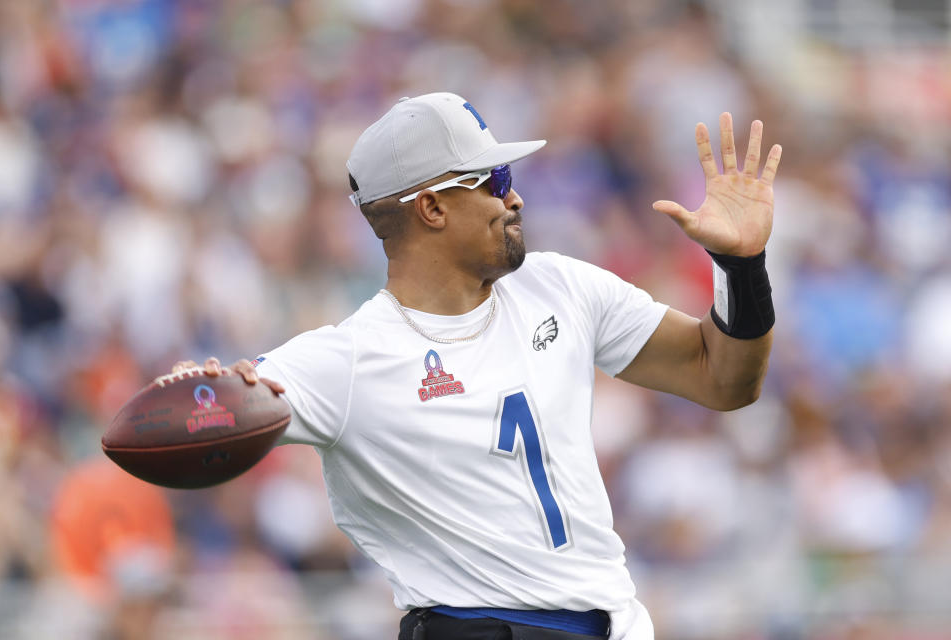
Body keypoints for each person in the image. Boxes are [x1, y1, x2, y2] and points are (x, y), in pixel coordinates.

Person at [173, 92, 782, 640]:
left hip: (615, 623)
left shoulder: (559, 286)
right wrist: (199, 400)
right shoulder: (351, 358)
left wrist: (743, 266)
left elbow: (722, 378)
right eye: (494, 178)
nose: (514, 196)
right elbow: (203, 413)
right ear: (432, 207)